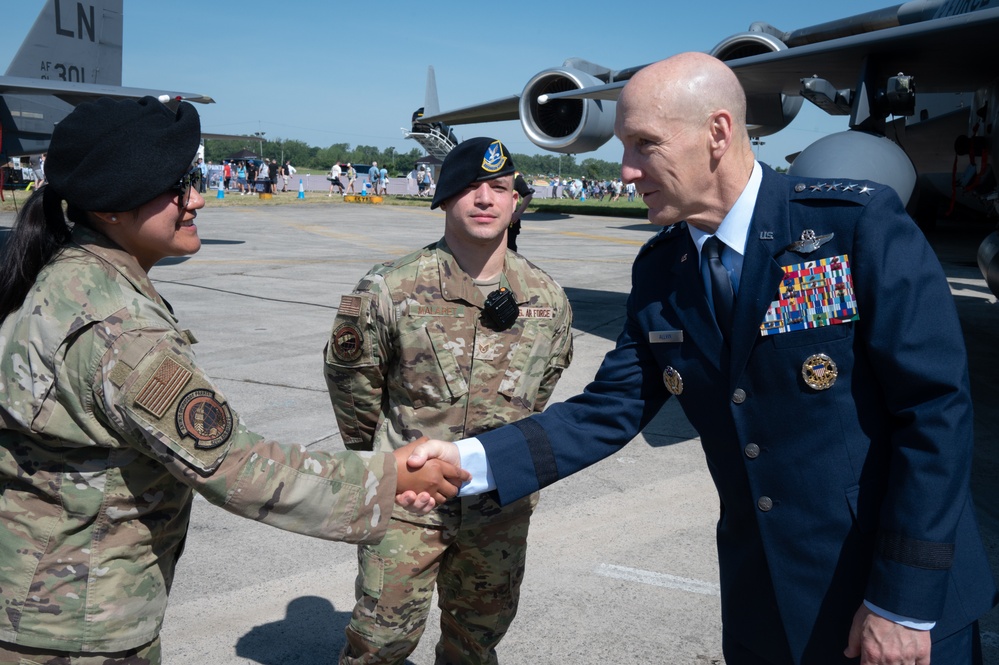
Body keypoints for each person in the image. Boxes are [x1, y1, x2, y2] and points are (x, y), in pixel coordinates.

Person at [406, 53, 998, 664]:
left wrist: (901, 602)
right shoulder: (664, 269)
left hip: (887, 603)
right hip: (762, 603)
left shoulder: (856, 227)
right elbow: (607, 410)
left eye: (644, 144)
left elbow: (934, 416)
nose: (627, 170)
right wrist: (465, 461)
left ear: (717, 133)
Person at [0, 96, 468, 665]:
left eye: (191, 179)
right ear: (112, 205)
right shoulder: (121, 331)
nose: (195, 198)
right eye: (176, 186)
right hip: (78, 625)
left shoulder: (70, 276)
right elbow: (235, 465)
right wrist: (387, 475)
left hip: (41, 600)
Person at [325, 137, 574, 665]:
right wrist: (385, 465)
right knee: (380, 641)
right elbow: (353, 389)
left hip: (498, 506)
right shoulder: (390, 289)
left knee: (477, 642)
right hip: (408, 504)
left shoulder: (547, 299)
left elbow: (541, 390)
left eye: (499, 188)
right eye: (470, 187)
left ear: (514, 203)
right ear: (443, 199)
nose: (485, 199)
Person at [507, 171, 534, 252]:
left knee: (509, 247)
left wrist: (518, 213)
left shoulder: (515, 178)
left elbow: (528, 196)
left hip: (510, 219)